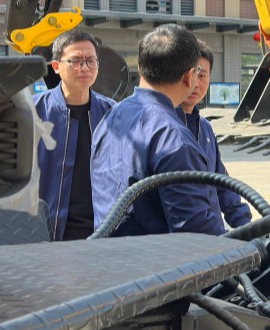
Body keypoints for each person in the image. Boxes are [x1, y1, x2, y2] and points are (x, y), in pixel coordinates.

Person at [90, 24, 226, 236]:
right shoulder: (174, 139)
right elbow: (196, 233)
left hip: (107, 252)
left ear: (140, 67)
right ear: (189, 76)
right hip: (153, 256)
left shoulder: (110, 118)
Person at [34, 28, 115, 241]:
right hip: (46, 233)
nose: (84, 67)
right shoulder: (33, 112)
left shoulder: (112, 113)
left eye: (91, 60)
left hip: (101, 233)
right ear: (56, 66)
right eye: (75, 61)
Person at [177, 40, 251, 229]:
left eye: (202, 75)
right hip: (184, 236)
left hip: (212, 235)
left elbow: (222, 184)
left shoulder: (205, 128)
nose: (195, 83)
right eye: (192, 74)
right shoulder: (166, 127)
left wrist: (247, 226)